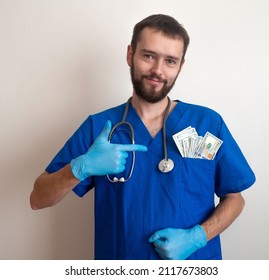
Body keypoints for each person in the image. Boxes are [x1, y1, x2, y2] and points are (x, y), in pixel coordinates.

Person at [30, 14, 256, 260]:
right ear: (130, 55)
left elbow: (234, 197)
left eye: (170, 61)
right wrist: (79, 168)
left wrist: (197, 237)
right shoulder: (100, 128)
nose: (157, 70)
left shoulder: (207, 125)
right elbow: (38, 198)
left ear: (180, 66)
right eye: (148, 56)